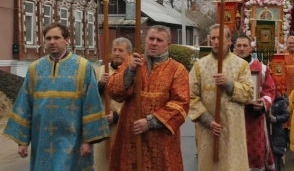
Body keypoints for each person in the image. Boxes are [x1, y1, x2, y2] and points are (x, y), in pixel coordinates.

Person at [3, 22, 110, 171]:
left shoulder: (83, 67)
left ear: (67, 40)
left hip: (73, 139)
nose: (52, 42)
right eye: (48, 38)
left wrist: (88, 140)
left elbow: (91, 104)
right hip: (42, 139)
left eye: (56, 37)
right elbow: (25, 104)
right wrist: (22, 141)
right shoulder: (35, 68)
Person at [107, 25, 190, 171]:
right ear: (145, 40)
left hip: (161, 139)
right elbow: (113, 90)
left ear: (168, 45)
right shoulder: (132, 62)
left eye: (159, 40)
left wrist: (151, 122)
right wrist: (130, 71)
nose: (154, 43)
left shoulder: (177, 70)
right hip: (131, 135)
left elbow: (181, 104)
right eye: (151, 38)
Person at [189, 24, 254, 170]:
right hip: (208, 130)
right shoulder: (199, 66)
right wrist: (208, 121)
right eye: (213, 38)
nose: (216, 42)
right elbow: (191, 97)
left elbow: (249, 94)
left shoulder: (241, 65)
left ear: (229, 41)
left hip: (233, 130)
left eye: (220, 38)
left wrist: (229, 84)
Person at [234, 35, 276, 170]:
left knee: (255, 152)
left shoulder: (261, 68)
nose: (241, 49)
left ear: (251, 48)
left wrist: (262, 103)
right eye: (239, 46)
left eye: (244, 46)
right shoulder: (226, 67)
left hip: (253, 118)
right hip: (232, 116)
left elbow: (270, 90)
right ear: (234, 47)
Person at [94, 37, 132, 171]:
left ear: (129, 54)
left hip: (126, 126)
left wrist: (117, 115)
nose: (116, 53)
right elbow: (91, 98)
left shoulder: (133, 72)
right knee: (104, 164)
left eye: (120, 50)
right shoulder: (101, 71)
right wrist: (100, 85)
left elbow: (137, 101)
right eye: (114, 50)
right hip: (105, 127)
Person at [269, 94, 290, 171]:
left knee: (276, 155)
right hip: (266, 132)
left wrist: (276, 119)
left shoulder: (281, 102)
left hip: (277, 133)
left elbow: (286, 115)